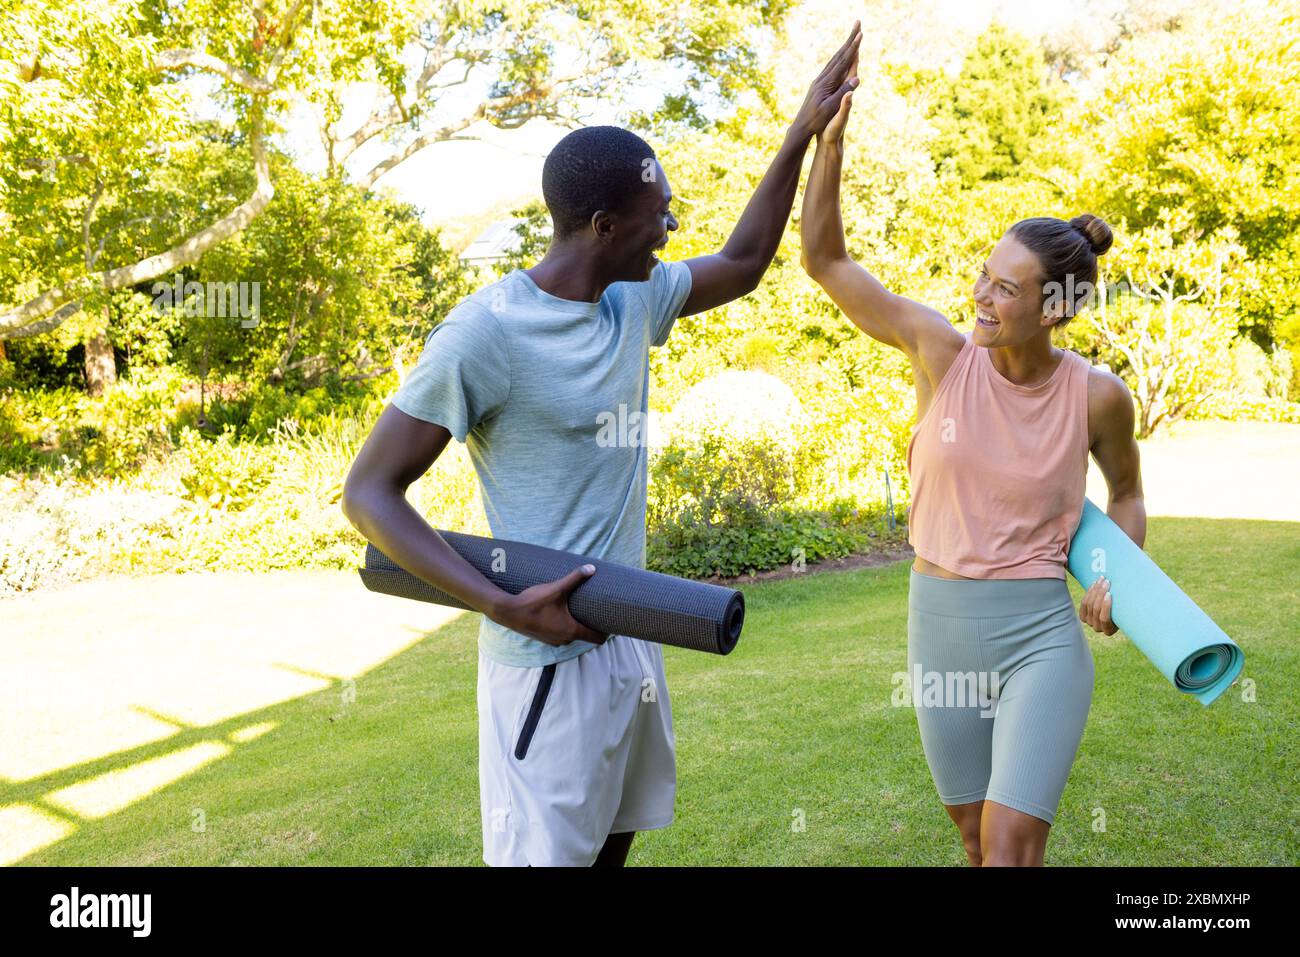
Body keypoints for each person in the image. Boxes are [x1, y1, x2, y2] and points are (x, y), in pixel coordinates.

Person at [341, 24, 863, 867]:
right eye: (660, 217)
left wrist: (802, 131)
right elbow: (368, 493)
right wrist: (500, 602)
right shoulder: (487, 334)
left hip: (631, 632)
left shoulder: (632, 300)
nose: (670, 230)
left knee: (615, 850)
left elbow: (745, 258)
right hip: (542, 658)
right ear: (602, 224)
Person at [800, 79, 1146, 866]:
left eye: (1006, 289)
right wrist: (831, 141)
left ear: (1053, 308)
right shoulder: (940, 352)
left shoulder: (1097, 396)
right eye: (985, 276)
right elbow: (825, 260)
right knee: (972, 838)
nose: (982, 297)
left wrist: (1122, 581)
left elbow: (1126, 493)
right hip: (939, 626)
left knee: (1011, 840)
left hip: (1040, 636)